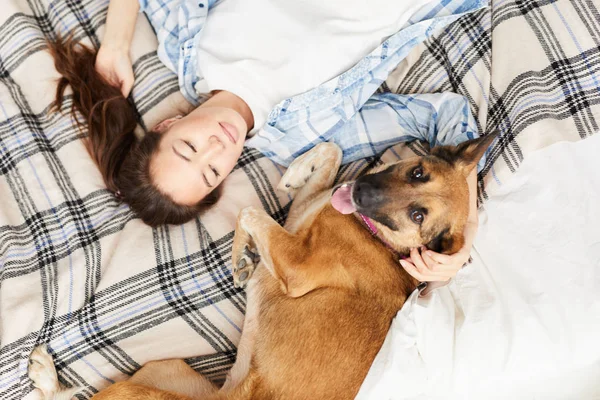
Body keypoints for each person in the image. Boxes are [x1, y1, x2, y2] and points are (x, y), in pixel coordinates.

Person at [48, 0, 487, 282]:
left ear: (168, 126)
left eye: (189, 147)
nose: (217, 146)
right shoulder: (306, 141)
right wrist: (464, 231)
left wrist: (115, 45)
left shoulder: (186, 46)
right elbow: (444, 116)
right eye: (212, 171)